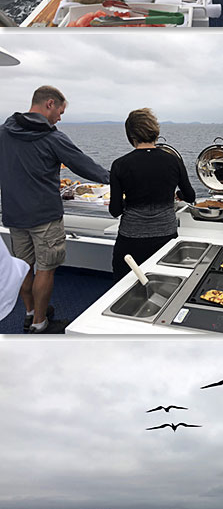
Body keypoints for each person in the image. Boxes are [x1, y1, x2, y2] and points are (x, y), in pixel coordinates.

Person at [0, 85, 109, 332]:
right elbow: (84, 166)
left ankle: (30, 313)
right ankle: (40, 324)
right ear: (49, 103)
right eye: (60, 111)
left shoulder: (4, 132)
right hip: (44, 217)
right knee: (46, 269)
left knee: (23, 267)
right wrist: (116, 178)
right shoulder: (52, 137)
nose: (60, 118)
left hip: (14, 214)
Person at [109, 108, 196, 280]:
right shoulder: (173, 161)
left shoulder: (120, 165)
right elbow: (190, 196)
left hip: (131, 241)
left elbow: (115, 210)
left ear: (131, 135)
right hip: (166, 238)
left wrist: (129, 202)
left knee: (125, 286)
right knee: (165, 283)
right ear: (155, 132)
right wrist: (178, 195)